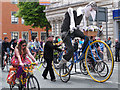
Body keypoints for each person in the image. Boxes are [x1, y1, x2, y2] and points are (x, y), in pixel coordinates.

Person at [57, 1, 97, 68]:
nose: (90, 11)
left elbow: (83, 24)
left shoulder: (82, 15)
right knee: (71, 50)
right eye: (90, 9)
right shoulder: (75, 12)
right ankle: (62, 62)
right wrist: (72, 25)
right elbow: (69, 10)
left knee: (86, 38)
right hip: (66, 31)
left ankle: (83, 53)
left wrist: (89, 28)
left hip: (74, 30)